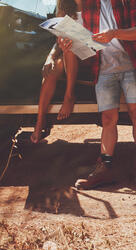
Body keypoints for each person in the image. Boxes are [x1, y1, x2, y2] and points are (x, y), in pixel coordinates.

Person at [64, 0, 136, 189]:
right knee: (107, 119)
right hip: (103, 68)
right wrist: (70, 43)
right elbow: (84, 39)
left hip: (131, 65)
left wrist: (114, 33)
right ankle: (104, 170)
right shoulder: (89, 5)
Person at [30, 0, 82, 144]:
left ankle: (69, 96)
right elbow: (57, 42)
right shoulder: (64, 8)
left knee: (69, 49)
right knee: (51, 69)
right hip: (68, 54)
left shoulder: (94, 5)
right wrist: (50, 58)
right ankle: (40, 122)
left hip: (90, 54)